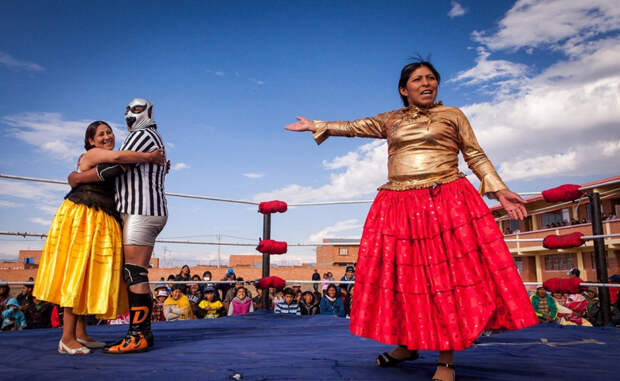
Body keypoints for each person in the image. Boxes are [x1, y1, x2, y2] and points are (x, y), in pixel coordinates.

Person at [285, 59, 538, 380]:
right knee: (402, 279)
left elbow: (474, 154)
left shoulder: (453, 115)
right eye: (418, 79)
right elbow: (352, 126)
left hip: (444, 200)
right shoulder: (390, 119)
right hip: (398, 204)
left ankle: (446, 359)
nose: (426, 83)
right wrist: (317, 125)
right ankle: (406, 345)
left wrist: (500, 190)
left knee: (444, 280)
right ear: (404, 90)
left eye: (431, 78)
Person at [34, 120, 164, 355]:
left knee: (88, 276)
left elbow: (120, 169)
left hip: (101, 218)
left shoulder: (110, 159)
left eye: (109, 132)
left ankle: (81, 334)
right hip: (84, 216)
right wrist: (149, 157)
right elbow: (117, 161)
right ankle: (66, 338)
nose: (107, 137)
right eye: (101, 134)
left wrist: (160, 167)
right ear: (91, 141)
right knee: (77, 274)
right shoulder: (92, 155)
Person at [70, 99, 169, 354]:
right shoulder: (145, 137)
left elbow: (117, 163)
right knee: (134, 272)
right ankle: (141, 334)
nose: (129, 114)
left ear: (148, 112)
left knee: (135, 272)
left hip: (142, 209)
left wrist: (78, 177)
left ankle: (139, 336)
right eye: (127, 109)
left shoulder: (143, 134)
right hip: (142, 210)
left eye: (135, 109)